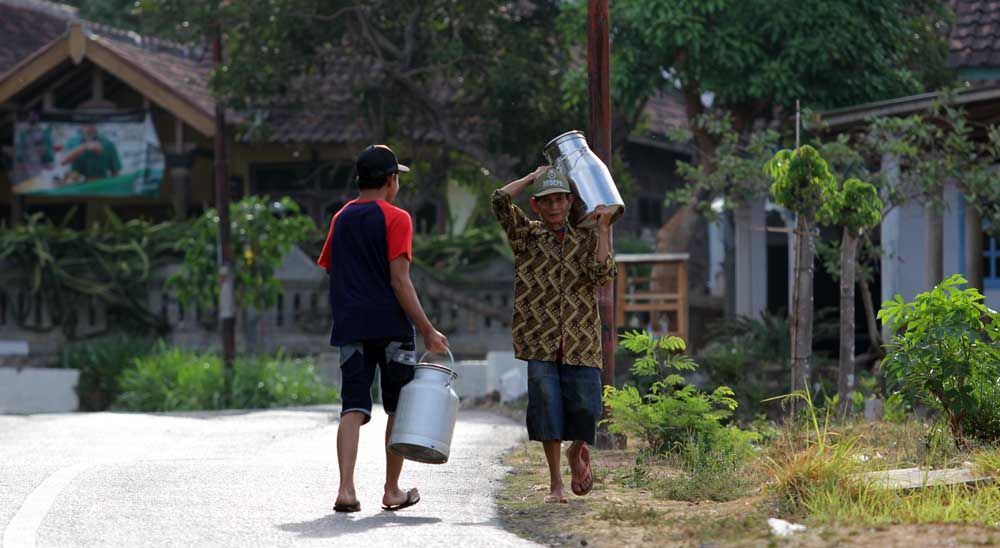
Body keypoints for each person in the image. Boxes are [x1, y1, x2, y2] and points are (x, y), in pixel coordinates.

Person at [317, 144, 449, 513]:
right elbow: (400, 282)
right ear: (392, 181)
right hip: (392, 328)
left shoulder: (341, 218)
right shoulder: (397, 218)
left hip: (351, 326)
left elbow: (330, 266)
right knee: (398, 409)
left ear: (360, 180)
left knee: (353, 408)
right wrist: (427, 329)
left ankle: (346, 490)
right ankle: (391, 490)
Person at [491, 165, 615, 504]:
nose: (554, 207)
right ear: (536, 205)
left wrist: (603, 230)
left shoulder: (586, 238)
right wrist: (532, 177)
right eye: (546, 201)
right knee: (547, 411)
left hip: (581, 341)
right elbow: (500, 200)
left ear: (570, 201)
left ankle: (577, 451)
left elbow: (603, 275)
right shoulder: (527, 237)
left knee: (589, 410)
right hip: (539, 340)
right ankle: (556, 485)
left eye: (560, 200)